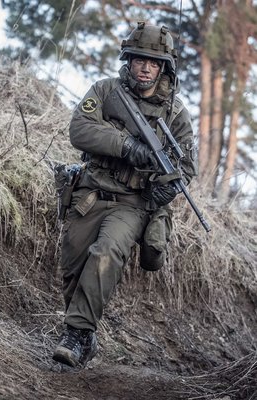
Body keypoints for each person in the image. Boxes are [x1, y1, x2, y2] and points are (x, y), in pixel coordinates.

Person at [52, 21, 198, 369]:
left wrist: (164, 190)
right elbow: (80, 130)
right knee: (73, 268)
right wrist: (127, 146)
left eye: (154, 62)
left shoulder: (175, 113)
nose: (146, 67)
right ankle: (86, 338)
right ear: (128, 60)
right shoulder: (105, 91)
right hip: (90, 193)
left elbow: (186, 168)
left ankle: (74, 333)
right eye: (138, 59)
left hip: (133, 204)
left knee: (106, 253)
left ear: (163, 67)